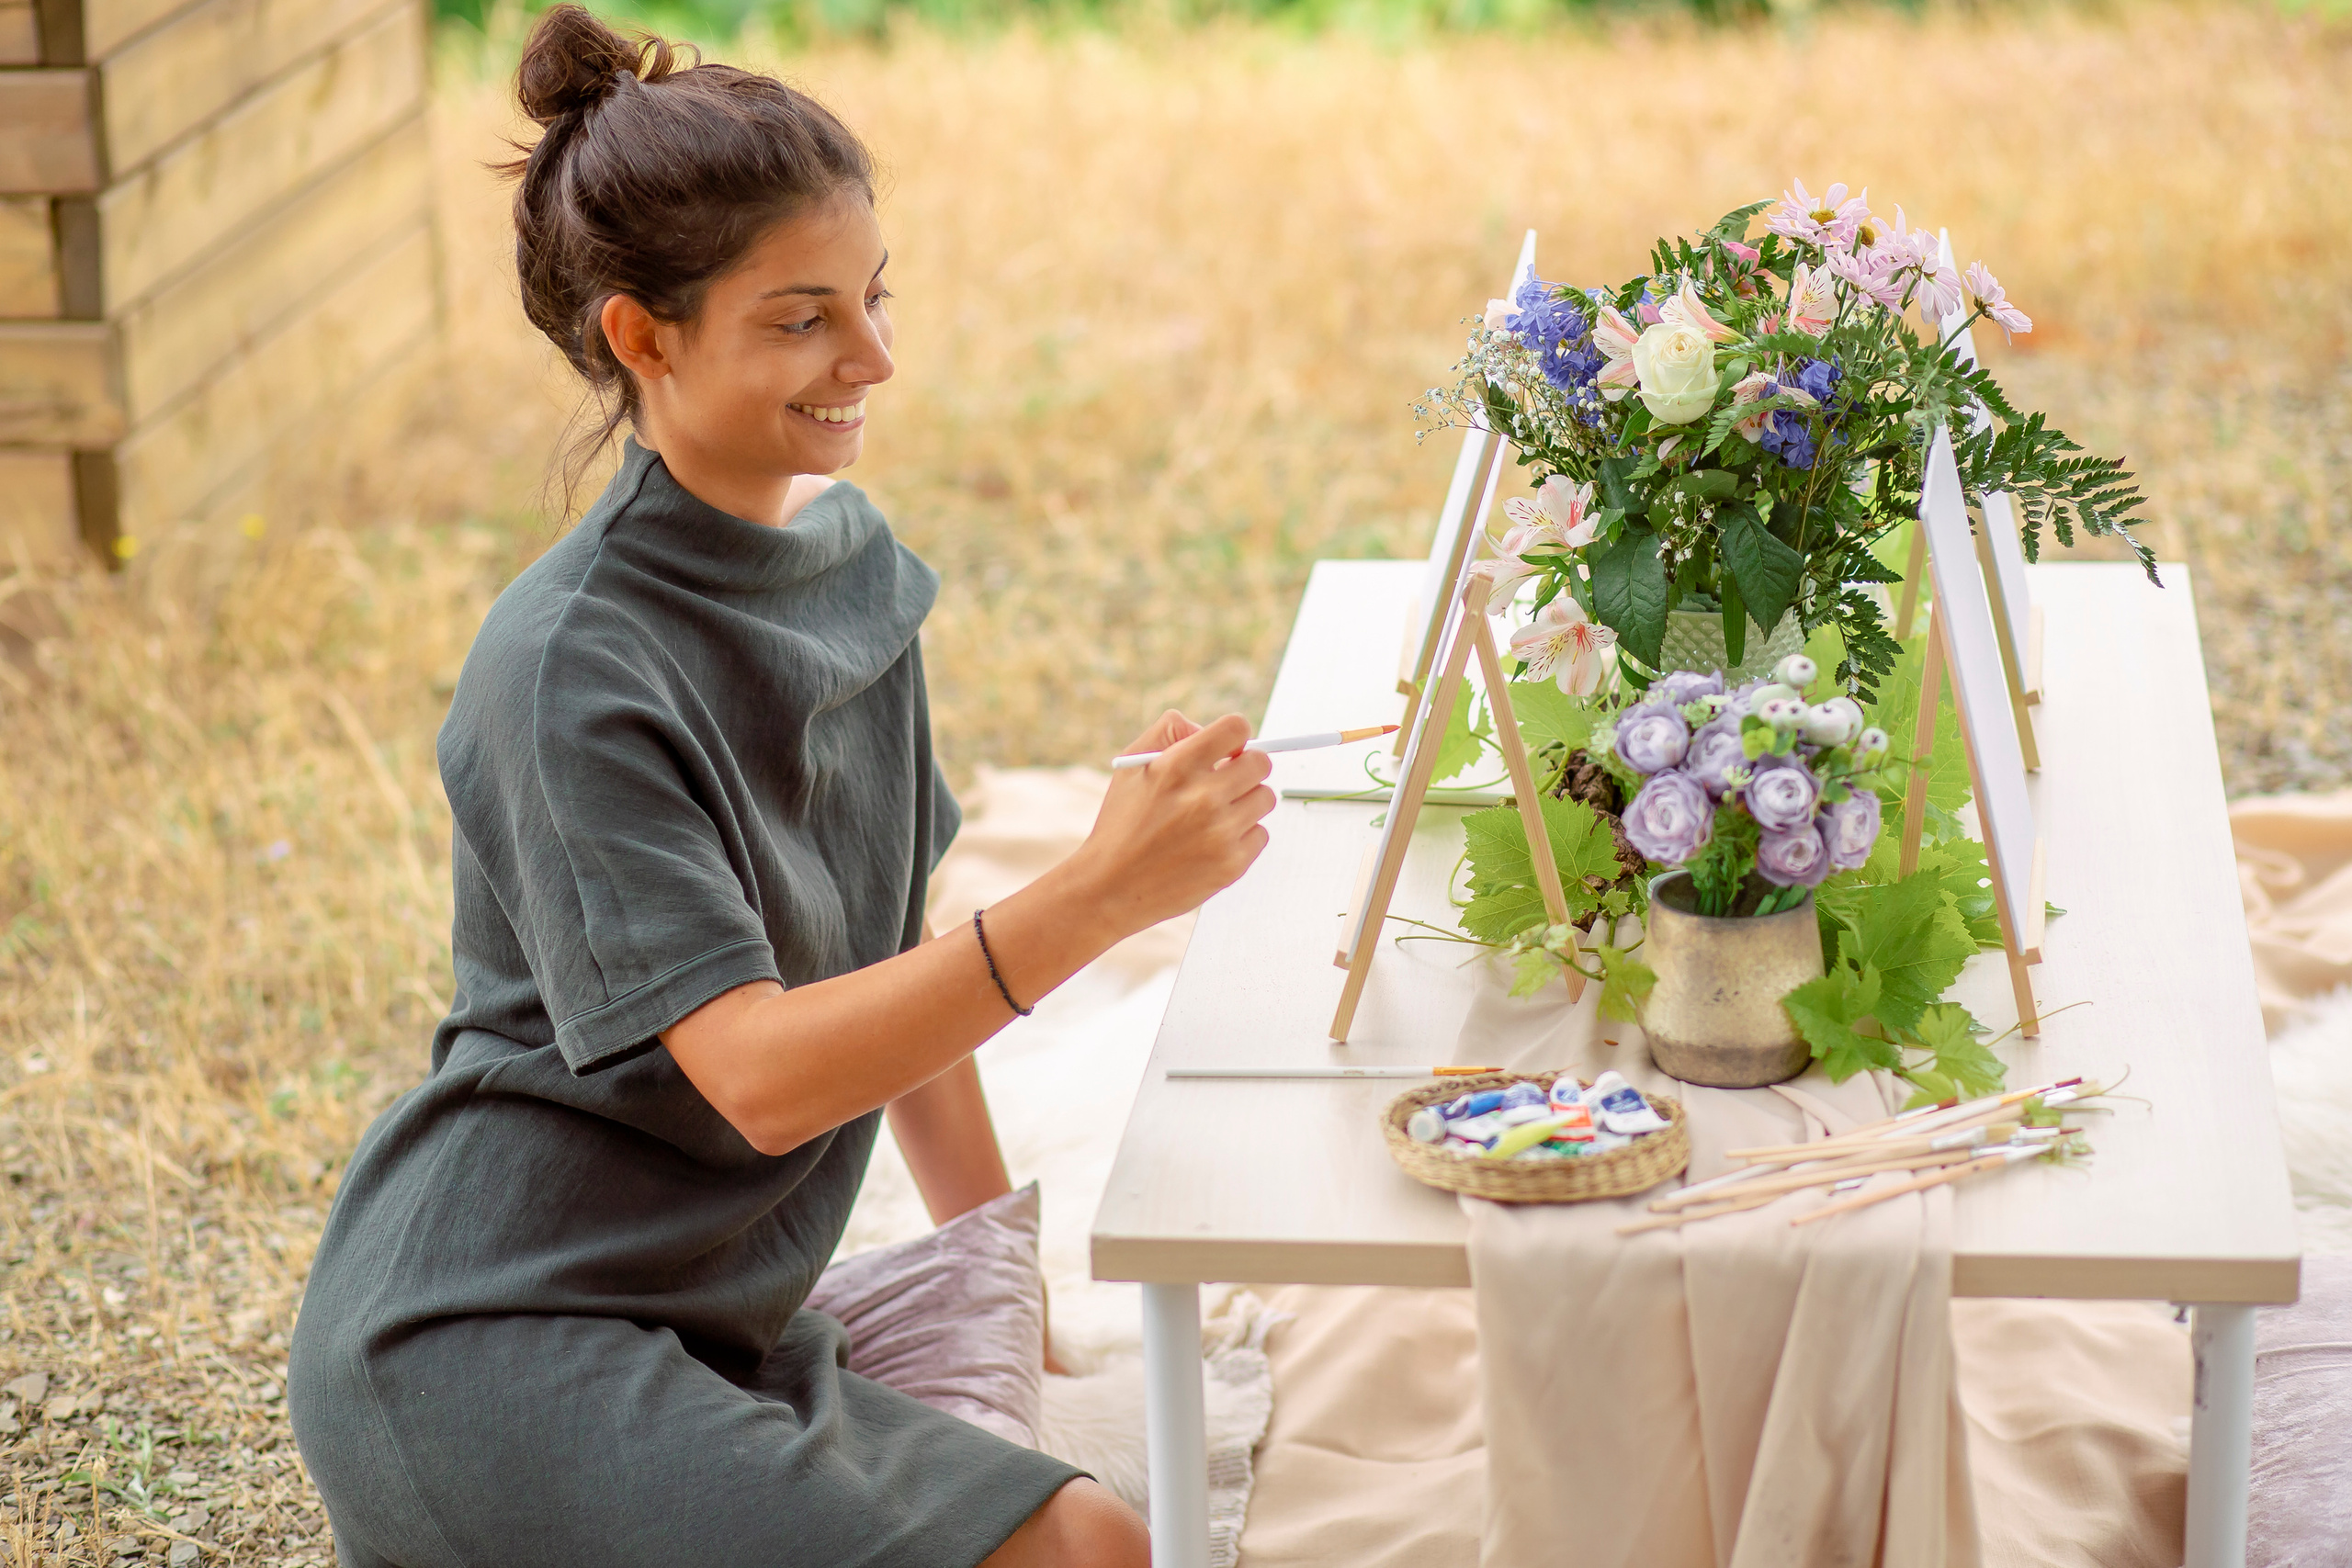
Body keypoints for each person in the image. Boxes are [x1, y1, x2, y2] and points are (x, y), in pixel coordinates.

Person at [285, 10, 1275, 1564]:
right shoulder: (566, 670)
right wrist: (1093, 900)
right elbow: (760, 1075)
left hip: (713, 1307)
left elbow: (893, 954)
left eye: (874, 299)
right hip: (490, 1338)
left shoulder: (852, 562)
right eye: (803, 318)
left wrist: (991, 1274)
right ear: (640, 335)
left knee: (1097, 1538)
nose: (873, 359)